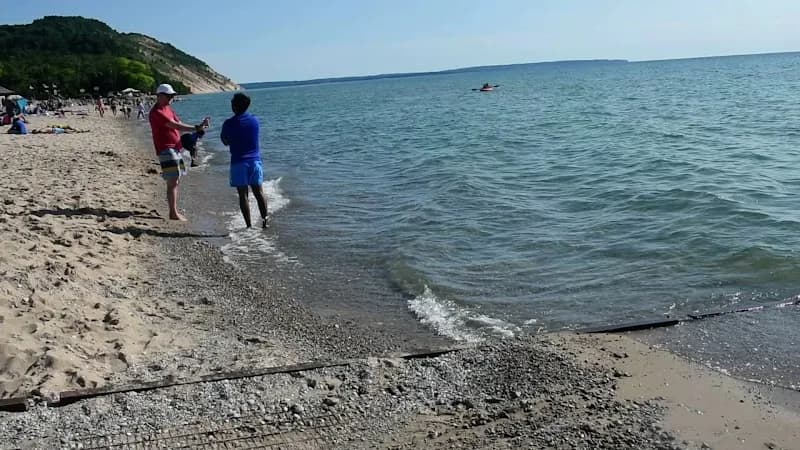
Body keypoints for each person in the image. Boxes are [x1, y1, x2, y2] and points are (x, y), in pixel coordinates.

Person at [148, 83, 210, 221]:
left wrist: (199, 127)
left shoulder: (168, 109)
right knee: (173, 180)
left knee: (176, 179)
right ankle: (173, 213)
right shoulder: (157, 112)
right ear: (159, 96)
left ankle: (174, 211)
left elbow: (179, 123)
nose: (172, 98)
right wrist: (196, 128)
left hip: (175, 147)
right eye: (169, 96)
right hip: (166, 148)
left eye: (172, 95)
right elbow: (174, 125)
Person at [221, 93, 268, 228]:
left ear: (235, 106)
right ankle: (265, 222)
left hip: (238, 162)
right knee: (259, 192)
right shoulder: (255, 120)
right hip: (255, 161)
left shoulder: (229, 123)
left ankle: (249, 226)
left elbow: (225, 141)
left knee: (243, 195)